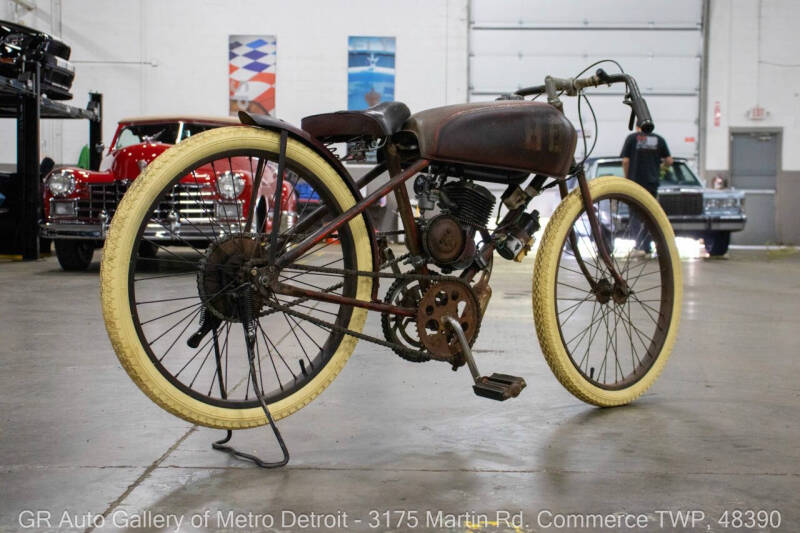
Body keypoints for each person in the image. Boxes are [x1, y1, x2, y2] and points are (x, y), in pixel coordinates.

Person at [620, 127, 673, 253]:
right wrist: (660, 169)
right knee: (650, 214)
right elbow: (669, 160)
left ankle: (639, 247)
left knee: (635, 214)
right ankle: (648, 246)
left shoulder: (632, 138)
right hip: (651, 184)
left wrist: (627, 178)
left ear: (638, 127)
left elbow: (626, 161)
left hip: (635, 183)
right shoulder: (659, 139)